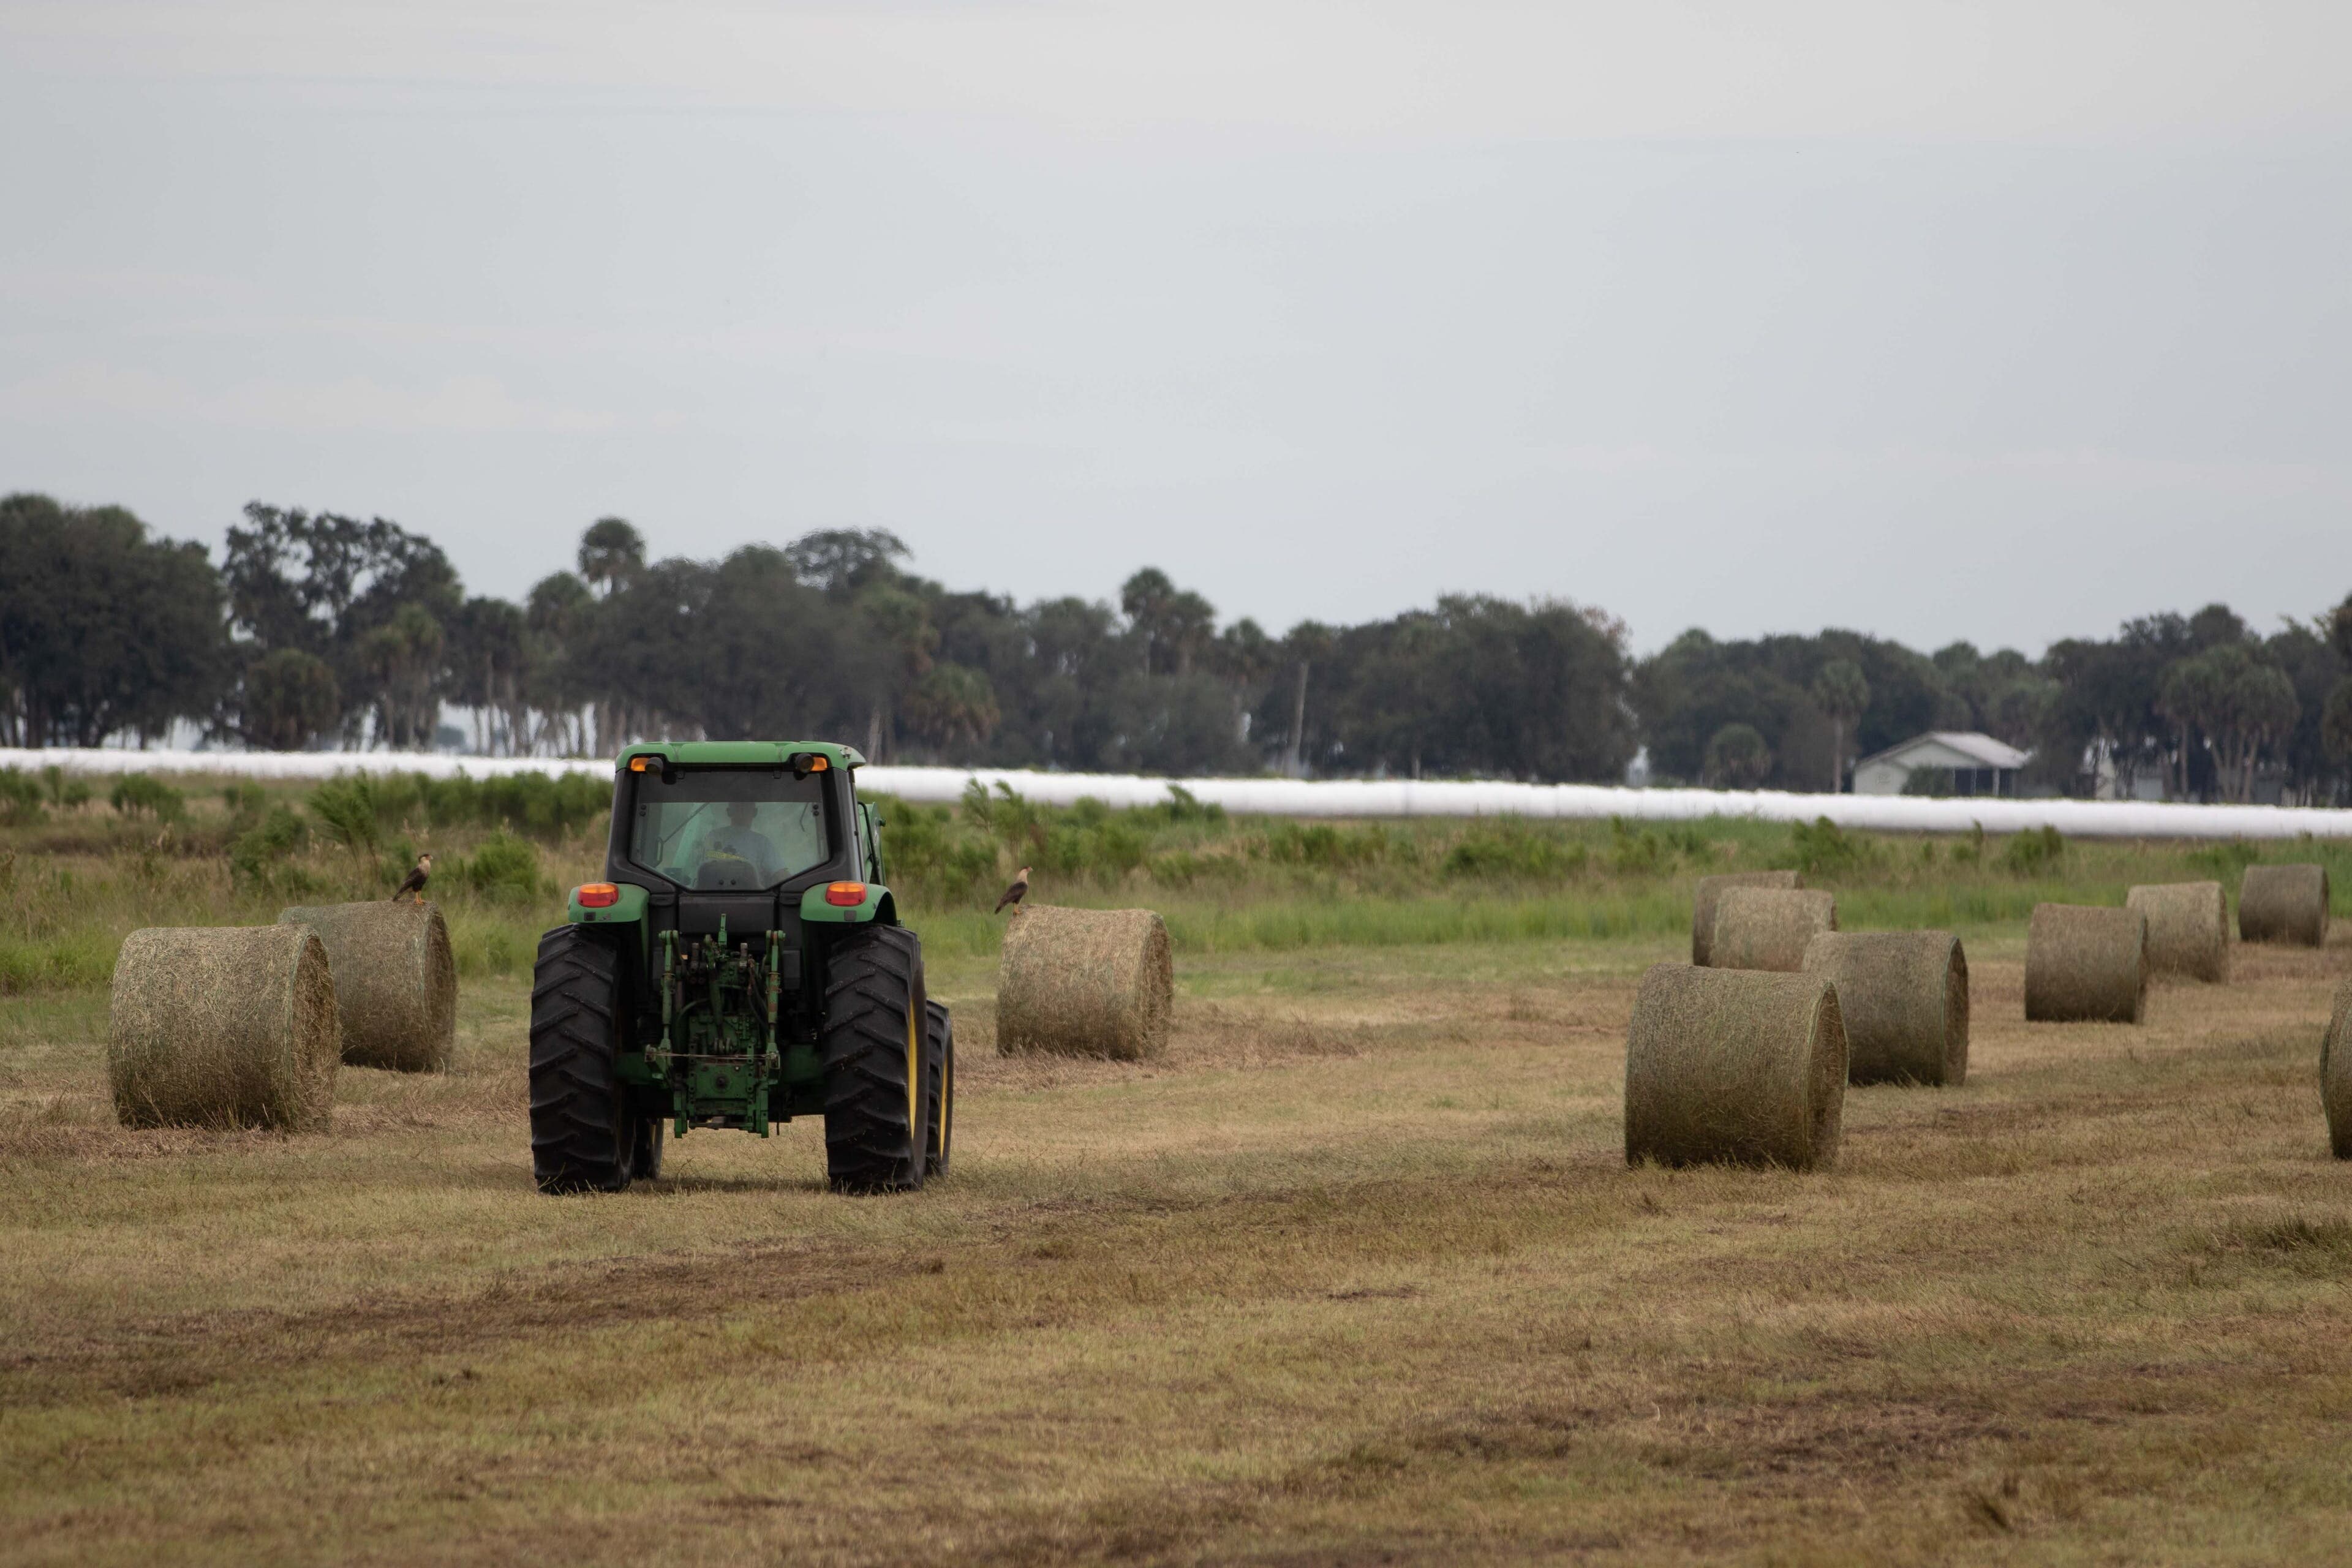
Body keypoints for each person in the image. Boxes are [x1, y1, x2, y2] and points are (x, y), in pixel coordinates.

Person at [699, 801, 777, 883]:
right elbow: (704, 873)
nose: (742, 812)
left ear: (755, 812)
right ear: (729, 812)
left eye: (745, 808)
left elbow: (780, 876)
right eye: (738, 808)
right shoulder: (714, 836)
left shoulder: (764, 843)